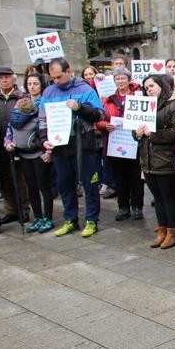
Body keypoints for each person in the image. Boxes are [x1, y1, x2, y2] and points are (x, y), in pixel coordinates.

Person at [39, 58, 105, 237]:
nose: (56, 81)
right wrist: (44, 140)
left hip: (84, 144)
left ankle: (91, 220)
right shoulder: (49, 92)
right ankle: (71, 219)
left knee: (90, 184)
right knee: (65, 184)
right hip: (60, 146)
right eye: (53, 78)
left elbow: (99, 115)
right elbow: (43, 119)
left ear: (69, 71)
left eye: (59, 77)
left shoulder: (84, 89)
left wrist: (80, 107)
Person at [133, 74, 175, 249]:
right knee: (158, 197)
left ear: (162, 86)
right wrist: (137, 133)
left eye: (152, 86)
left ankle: (172, 232)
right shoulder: (145, 106)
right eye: (146, 88)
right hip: (147, 160)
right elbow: (134, 130)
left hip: (166, 160)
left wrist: (152, 134)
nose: (149, 90)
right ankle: (161, 230)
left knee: (168, 197)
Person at [95, 67, 144, 221]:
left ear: (129, 79)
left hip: (134, 144)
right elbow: (99, 119)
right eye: (117, 79)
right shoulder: (107, 99)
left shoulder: (139, 95)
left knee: (136, 179)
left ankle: (137, 207)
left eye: (123, 78)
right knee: (120, 178)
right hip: (115, 144)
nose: (121, 81)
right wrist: (104, 125)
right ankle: (123, 207)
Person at [4, 94, 54, 233]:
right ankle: (41, 217)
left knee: (39, 187)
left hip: (35, 155)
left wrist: (49, 153)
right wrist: (8, 143)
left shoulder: (15, 119)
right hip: (31, 155)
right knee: (38, 187)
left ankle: (45, 217)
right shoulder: (33, 118)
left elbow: (9, 134)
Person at [0, 66, 30, 224]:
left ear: (13, 78)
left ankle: (24, 209)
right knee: (2, 179)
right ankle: (11, 209)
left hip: (16, 143)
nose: (4, 80)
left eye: (7, 77)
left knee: (19, 178)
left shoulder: (21, 97)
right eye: (0, 77)